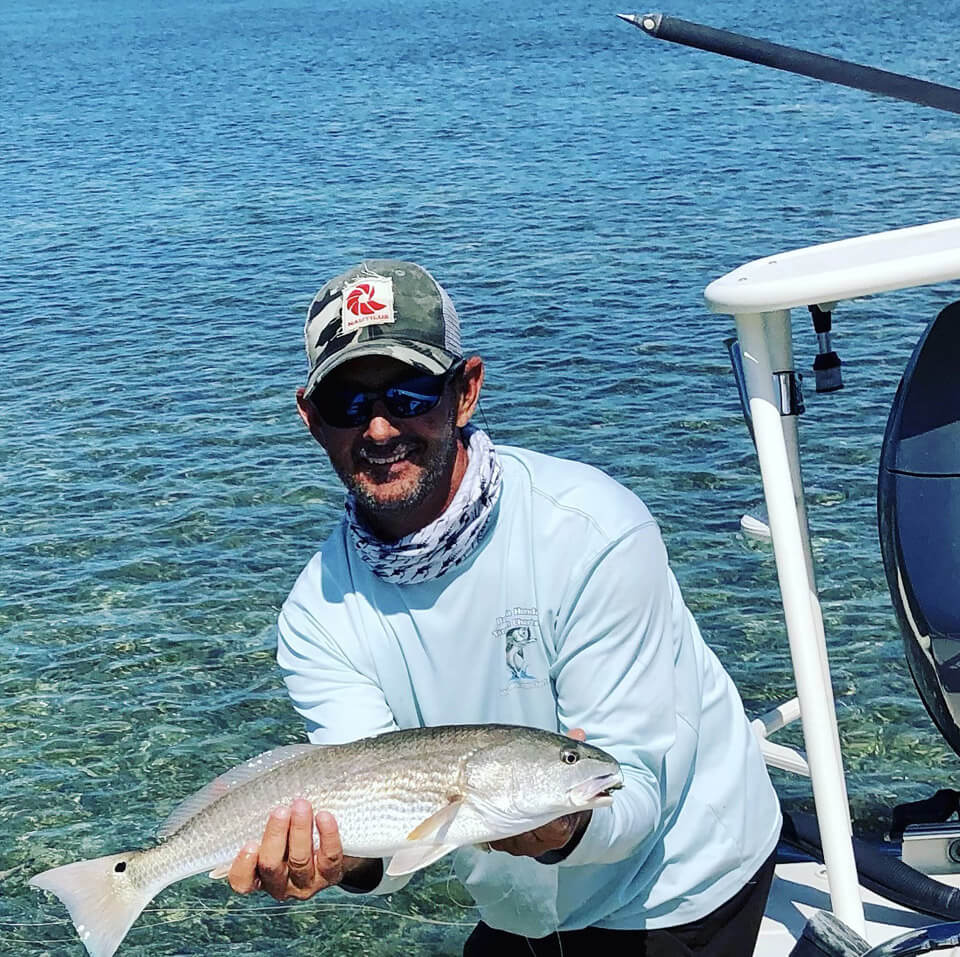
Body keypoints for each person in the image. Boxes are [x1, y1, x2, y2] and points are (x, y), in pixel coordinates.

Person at [228, 260, 782, 955]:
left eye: (408, 393)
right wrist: (339, 860)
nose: (377, 428)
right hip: (516, 900)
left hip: (677, 887)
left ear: (466, 390)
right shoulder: (316, 612)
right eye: (348, 402)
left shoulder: (592, 530)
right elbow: (388, 841)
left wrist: (562, 828)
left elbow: (633, 794)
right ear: (312, 419)